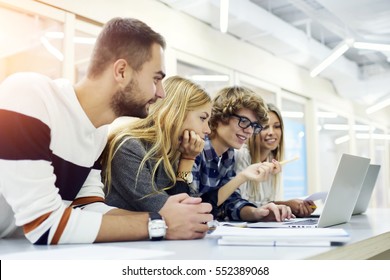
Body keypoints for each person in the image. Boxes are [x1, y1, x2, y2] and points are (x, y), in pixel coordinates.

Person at [0, 17, 212, 245]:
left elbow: (88, 207)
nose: (161, 93)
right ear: (121, 71)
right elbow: (44, 224)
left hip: (22, 251)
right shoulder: (29, 95)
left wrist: (166, 218)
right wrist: (159, 224)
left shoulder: (98, 132)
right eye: (156, 79)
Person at [102, 75, 211, 212]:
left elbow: (185, 208)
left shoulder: (172, 151)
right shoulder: (128, 147)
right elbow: (168, 211)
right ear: (176, 113)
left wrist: (186, 159)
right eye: (202, 118)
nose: (208, 130)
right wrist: (187, 160)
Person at [192, 86, 293, 222]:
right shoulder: (194, 148)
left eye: (254, 126)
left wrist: (258, 213)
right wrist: (242, 177)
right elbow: (195, 207)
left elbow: (230, 203)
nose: (249, 131)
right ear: (220, 116)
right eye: (244, 121)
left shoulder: (228, 154)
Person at [235, 103, 316, 217]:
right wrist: (285, 204)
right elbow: (240, 204)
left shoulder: (272, 161)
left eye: (277, 126)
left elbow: (264, 202)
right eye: (265, 127)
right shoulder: (241, 154)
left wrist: (290, 208)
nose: (271, 132)